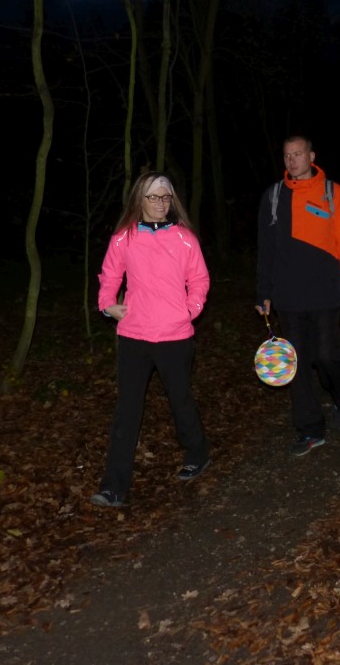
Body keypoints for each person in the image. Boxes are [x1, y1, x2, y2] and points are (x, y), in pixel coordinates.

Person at [93, 172, 211, 508]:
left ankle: (198, 452)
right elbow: (109, 275)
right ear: (139, 200)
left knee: (180, 399)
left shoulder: (185, 239)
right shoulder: (123, 238)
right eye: (154, 197)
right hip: (135, 334)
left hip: (175, 334)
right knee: (127, 409)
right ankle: (114, 486)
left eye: (166, 197)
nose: (161, 203)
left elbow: (199, 279)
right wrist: (107, 304)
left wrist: (190, 310)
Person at [255, 135, 340, 456]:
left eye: (298, 154)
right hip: (287, 297)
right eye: (287, 155)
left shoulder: (333, 193)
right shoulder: (274, 196)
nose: (292, 160)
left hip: (325, 293)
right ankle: (310, 428)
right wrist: (263, 292)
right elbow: (266, 250)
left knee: (326, 356)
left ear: (311, 156)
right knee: (297, 363)